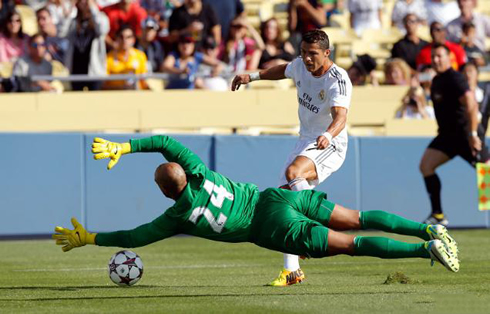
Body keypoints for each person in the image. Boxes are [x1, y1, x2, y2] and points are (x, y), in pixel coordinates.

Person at [53, 136, 460, 279]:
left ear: (164, 193)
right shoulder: (197, 170)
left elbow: (132, 236)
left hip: (270, 227)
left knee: (350, 244)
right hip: (279, 196)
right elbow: (164, 141)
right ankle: (429, 230)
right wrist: (125, 147)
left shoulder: (176, 215)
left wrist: (90, 238)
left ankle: (426, 251)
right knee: (357, 217)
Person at [231, 29, 353, 286]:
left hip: (330, 143)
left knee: (292, 175)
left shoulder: (337, 78)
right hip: (306, 140)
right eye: (303, 53)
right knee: (284, 199)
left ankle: (309, 225)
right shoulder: (299, 66)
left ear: (326, 53)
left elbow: (341, 117)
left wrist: (329, 136)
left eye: (313, 54)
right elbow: (282, 70)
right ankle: (292, 270)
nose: (307, 59)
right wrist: (251, 76)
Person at [419, 44, 488, 226]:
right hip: (447, 137)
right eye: (433, 56)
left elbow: (471, 105)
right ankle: (438, 215)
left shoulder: (455, 78)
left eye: (440, 56)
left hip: (465, 136)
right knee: (426, 166)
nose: (436, 60)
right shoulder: (436, 80)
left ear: (450, 58)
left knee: (487, 175)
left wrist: (473, 134)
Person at [64, 0, 109, 91]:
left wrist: (92, 7)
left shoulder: (101, 18)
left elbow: (102, 29)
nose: (84, 3)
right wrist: (70, 9)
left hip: (94, 72)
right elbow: (62, 32)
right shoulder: (73, 22)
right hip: (76, 71)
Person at [104, 25, 148, 90]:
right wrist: (121, 88)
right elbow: (102, 85)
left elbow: (144, 82)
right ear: (117, 38)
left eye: (128, 37)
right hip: (115, 97)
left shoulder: (140, 56)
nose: (124, 40)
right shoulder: (108, 58)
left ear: (133, 39)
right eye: (121, 37)